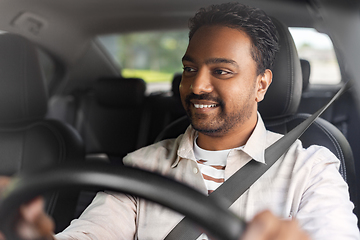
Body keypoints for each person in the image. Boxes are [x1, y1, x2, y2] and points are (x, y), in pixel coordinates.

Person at [0, 2, 359, 240]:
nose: (197, 85)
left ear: (261, 83)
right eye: (190, 69)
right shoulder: (142, 166)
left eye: (221, 70)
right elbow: (92, 234)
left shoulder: (311, 168)